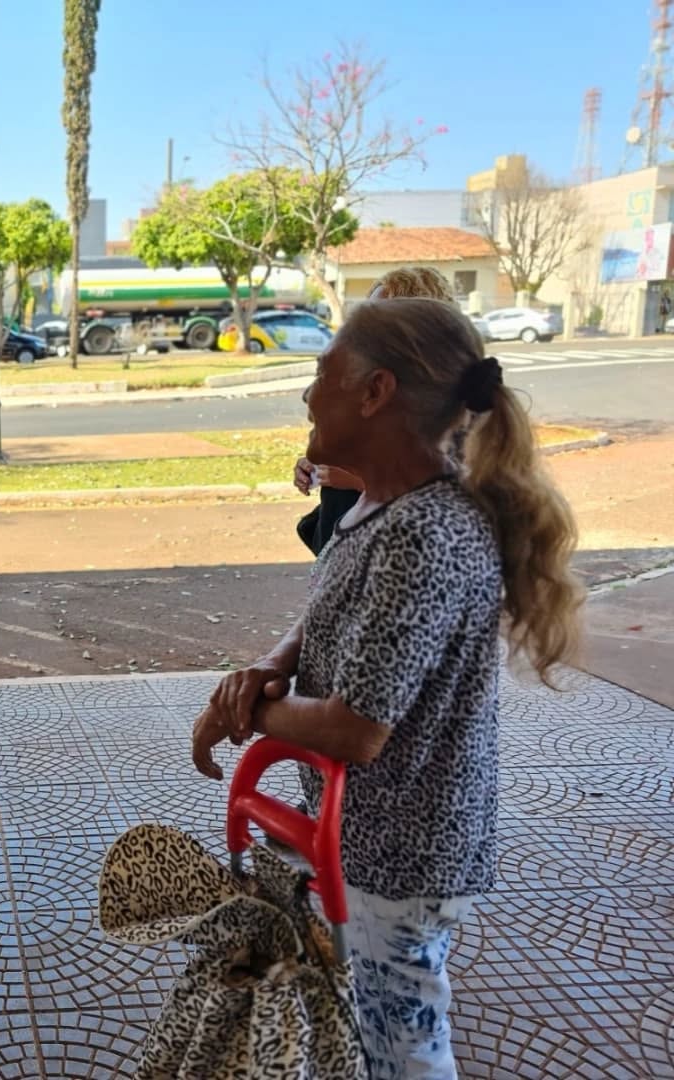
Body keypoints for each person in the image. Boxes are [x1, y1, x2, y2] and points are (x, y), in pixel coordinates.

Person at [191, 296, 582, 1078]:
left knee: (404, 1049)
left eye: (323, 374)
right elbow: (336, 614)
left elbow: (357, 729)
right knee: (377, 1029)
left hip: (402, 855)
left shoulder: (425, 533)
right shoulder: (383, 505)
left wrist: (247, 709)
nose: (309, 396)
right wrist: (272, 665)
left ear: (375, 392)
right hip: (374, 840)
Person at [294, 268, 458, 556]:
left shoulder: (450, 398)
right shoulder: (373, 386)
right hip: (346, 556)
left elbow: (451, 498)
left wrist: (355, 480)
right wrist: (316, 465)